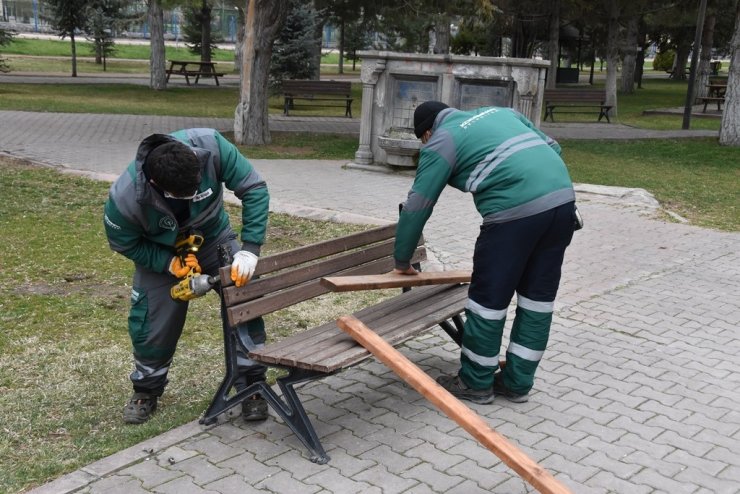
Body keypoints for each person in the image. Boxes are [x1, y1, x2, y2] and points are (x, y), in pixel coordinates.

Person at [394, 101, 579, 405]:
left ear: (427, 132)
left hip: (513, 216)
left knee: (487, 301)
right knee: (537, 300)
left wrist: (402, 260)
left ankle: (475, 382)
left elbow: (418, 205)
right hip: (562, 204)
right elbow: (552, 148)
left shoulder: (441, 140)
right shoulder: (501, 112)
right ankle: (518, 383)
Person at [103, 128, 270, 424]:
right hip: (161, 249)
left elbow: (253, 187)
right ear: (155, 183)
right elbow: (124, 243)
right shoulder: (125, 198)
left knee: (245, 299)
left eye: (196, 189)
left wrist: (250, 250)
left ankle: (251, 383)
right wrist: (167, 264)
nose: (192, 196)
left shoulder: (211, 147)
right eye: (184, 195)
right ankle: (146, 389)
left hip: (214, 238)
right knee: (151, 319)